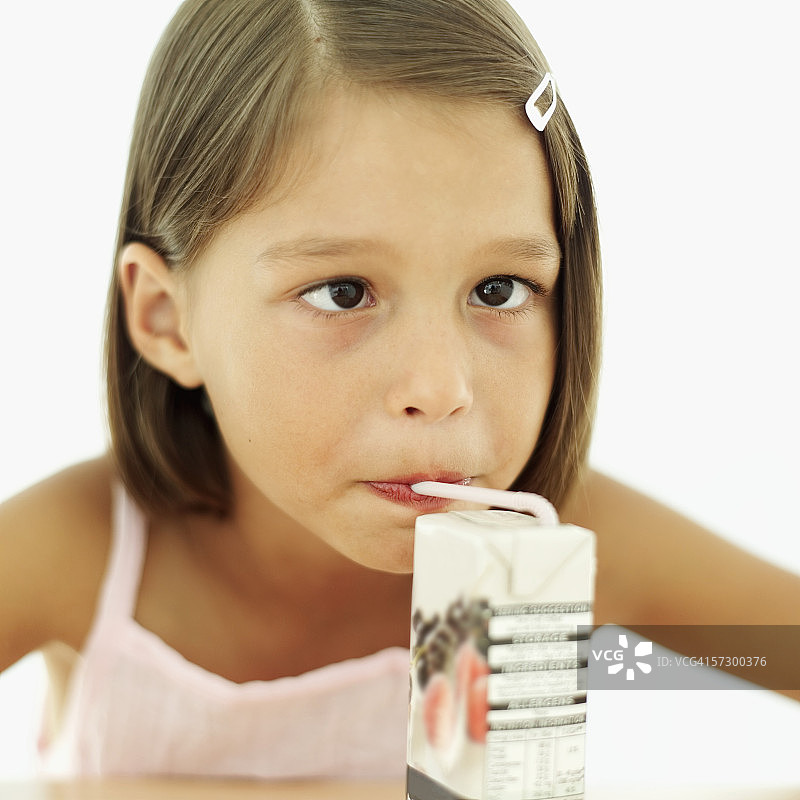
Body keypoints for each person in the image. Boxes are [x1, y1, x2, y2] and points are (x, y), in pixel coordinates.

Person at [1, 0, 798, 781]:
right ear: (168, 320)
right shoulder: (75, 553)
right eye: (343, 293)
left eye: (499, 291)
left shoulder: (568, 549)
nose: (440, 388)